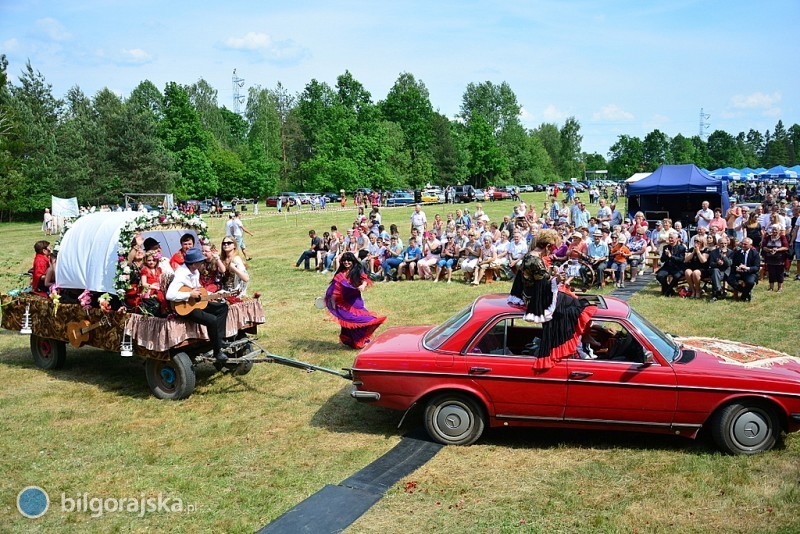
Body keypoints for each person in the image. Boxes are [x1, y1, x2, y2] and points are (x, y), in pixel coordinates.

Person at [507, 229, 597, 370]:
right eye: (552, 249)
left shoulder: (532, 256)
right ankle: (578, 343)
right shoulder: (534, 260)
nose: (552, 252)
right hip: (538, 298)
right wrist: (558, 278)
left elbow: (541, 277)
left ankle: (584, 338)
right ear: (547, 246)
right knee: (575, 307)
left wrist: (553, 273)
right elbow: (543, 282)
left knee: (573, 299)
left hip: (537, 292)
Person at [166, 248, 230, 361]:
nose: (202, 263)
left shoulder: (194, 271)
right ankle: (217, 352)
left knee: (223, 308)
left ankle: (218, 340)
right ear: (194, 263)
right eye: (200, 261)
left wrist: (216, 294)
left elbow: (199, 290)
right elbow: (169, 295)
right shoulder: (181, 274)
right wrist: (189, 294)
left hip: (196, 304)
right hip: (185, 308)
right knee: (212, 320)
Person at [324, 252, 386, 349]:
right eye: (344, 260)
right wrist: (331, 303)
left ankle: (360, 339)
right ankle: (348, 340)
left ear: (353, 261)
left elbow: (365, 279)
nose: (346, 262)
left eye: (349, 260)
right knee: (346, 319)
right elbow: (333, 289)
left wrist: (363, 285)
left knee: (362, 319)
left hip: (355, 300)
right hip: (344, 301)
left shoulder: (357, 270)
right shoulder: (340, 274)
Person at [656, 231, 686, 297]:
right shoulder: (666, 247)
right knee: (659, 276)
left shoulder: (682, 248)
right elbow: (662, 260)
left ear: (677, 239)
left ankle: (667, 291)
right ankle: (669, 290)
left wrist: (670, 256)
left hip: (677, 267)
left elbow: (681, 260)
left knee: (677, 276)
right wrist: (666, 255)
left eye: (672, 238)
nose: (670, 239)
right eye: (669, 238)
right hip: (667, 267)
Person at [761, 224, 788, 292]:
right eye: (773, 230)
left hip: (780, 259)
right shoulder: (768, 237)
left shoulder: (782, 237)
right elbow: (763, 246)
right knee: (771, 273)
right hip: (770, 258)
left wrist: (777, 250)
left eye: (776, 230)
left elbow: (786, 247)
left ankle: (780, 288)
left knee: (780, 273)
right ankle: (771, 287)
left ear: (779, 230)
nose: (774, 231)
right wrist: (769, 250)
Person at [683, 234, 710, 299]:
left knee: (695, 273)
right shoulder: (691, 249)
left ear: (702, 242)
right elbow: (686, 260)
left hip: (702, 269)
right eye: (695, 241)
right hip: (692, 267)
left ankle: (698, 291)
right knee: (687, 272)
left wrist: (698, 252)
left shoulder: (706, 250)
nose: (696, 243)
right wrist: (693, 252)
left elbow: (703, 261)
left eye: (698, 241)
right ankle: (693, 290)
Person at [708, 235, 734, 301]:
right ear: (718, 244)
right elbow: (711, 263)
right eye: (721, 243)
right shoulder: (713, 252)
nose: (723, 245)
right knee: (715, 271)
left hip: (726, 272)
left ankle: (716, 294)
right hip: (716, 271)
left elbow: (729, 264)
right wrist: (717, 263)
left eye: (725, 243)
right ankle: (718, 289)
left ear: (727, 244)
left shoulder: (731, 252)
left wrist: (724, 257)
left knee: (715, 275)